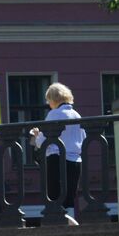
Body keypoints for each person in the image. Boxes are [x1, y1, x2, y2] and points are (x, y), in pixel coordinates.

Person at [31, 82, 86, 221]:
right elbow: (83, 137)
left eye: (49, 100)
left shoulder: (54, 114)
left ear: (54, 99)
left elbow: (45, 141)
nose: (49, 104)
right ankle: (72, 227)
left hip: (56, 160)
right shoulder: (76, 115)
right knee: (69, 200)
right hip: (75, 161)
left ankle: (57, 226)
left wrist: (36, 135)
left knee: (55, 198)